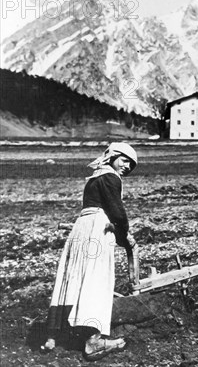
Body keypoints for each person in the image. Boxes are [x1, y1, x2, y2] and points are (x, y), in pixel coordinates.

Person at [42, 142, 139, 361]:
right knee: (97, 280)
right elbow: (118, 213)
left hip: (81, 228)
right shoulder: (111, 177)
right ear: (112, 156)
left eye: (131, 165)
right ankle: (94, 340)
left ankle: (53, 335)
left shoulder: (95, 177)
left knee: (73, 277)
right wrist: (124, 234)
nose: (126, 167)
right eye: (124, 160)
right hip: (98, 229)